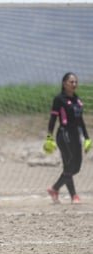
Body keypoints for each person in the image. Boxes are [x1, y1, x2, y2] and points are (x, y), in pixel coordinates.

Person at [44, 72, 91, 204]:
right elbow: (53, 118)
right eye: (71, 82)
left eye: (76, 82)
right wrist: (49, 136)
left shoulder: (77, 100)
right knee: (68, 164)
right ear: (64, 83)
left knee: (76, 167)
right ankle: (73, 195)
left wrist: (87, 138)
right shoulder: (59, 99)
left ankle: (54, 188)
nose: (74, 84)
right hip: (64, 135)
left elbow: (80, 120)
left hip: (76, 135)